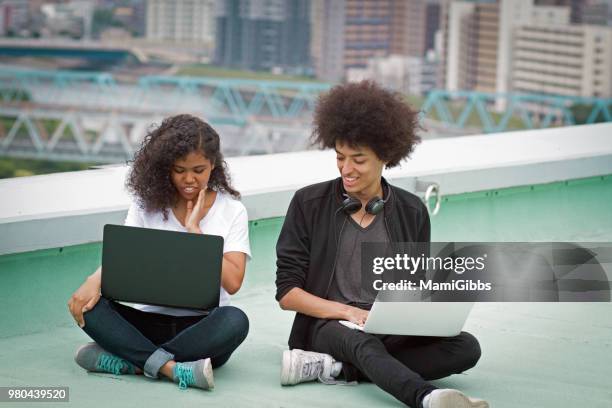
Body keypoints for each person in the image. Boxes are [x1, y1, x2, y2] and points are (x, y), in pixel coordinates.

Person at [275, 81, 488, 408]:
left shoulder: (412, 210)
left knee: (466, 347)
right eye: (340, 157)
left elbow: (412, 288)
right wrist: (350, 312)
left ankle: (338, 370)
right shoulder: (308, 203)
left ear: (385, 156)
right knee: (362, 343)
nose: (346, 169)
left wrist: (429, 310)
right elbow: (287, 294)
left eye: (358, 159)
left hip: (386, 326)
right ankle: (426, 398)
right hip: (328, 325)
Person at [67, 114, 250, 391]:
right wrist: (93, 281)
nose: (189, 179)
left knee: (236, 321)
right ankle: (170, 368)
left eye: (199, 170)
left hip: (200, 328)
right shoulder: (144, 205)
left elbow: (234, 282)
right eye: (179, 170)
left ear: (213, 166)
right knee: (89, 309)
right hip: (145, 323)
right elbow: (124, 257)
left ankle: (134, 360)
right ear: (166, 168)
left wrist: (196, 233)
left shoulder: (232, 210)